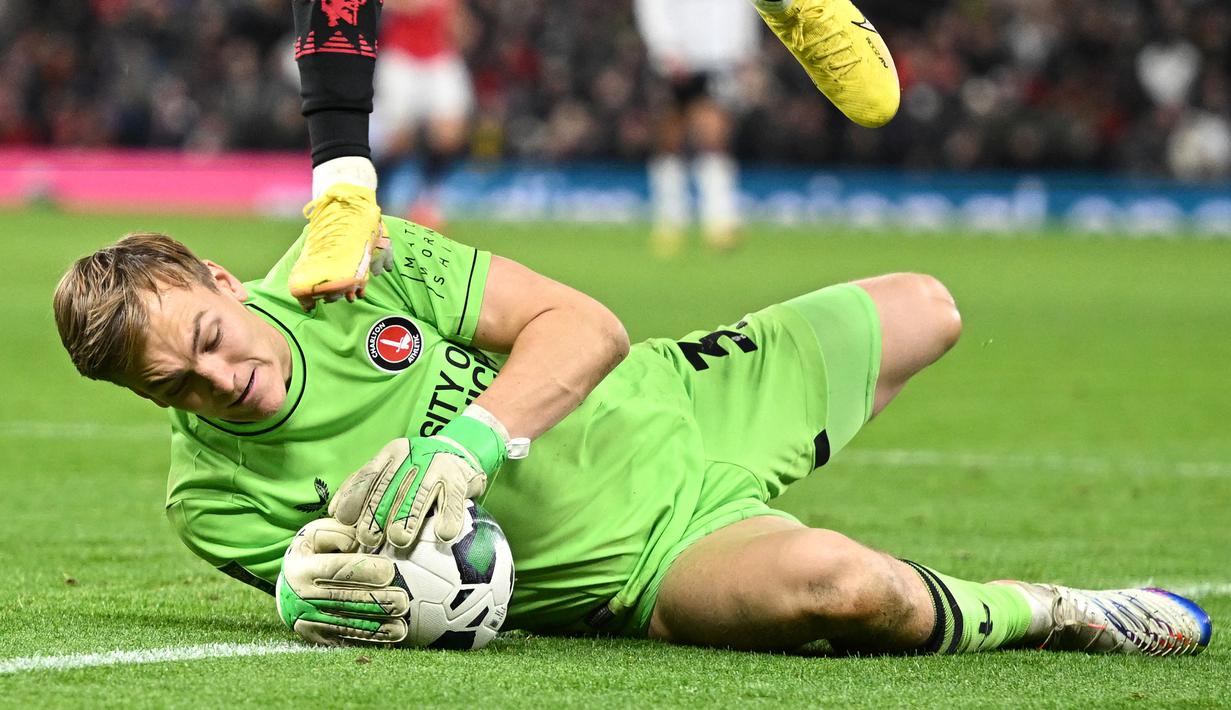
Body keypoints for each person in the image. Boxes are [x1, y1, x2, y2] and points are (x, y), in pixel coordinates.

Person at [53, 221, 1211, 655]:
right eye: (181, 388)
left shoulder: (344, 263)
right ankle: (1058, 608)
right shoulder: (209, 502)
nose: (223, 378)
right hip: (653, 551)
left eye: (208, 334)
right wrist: (310, 593)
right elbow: (370, 596)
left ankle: (772, 446)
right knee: (843, 586)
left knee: (928, 305)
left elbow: (585, 325)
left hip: (675, 396)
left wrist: (470, 441)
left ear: (218, 275)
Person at [287, 0, 902, 306]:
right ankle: (348, 187)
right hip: (672, 46)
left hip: (714, 46)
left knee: (709, 133)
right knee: (676, 132)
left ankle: (718, 216)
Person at [635, 0, 760, 254]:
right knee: (669, 139)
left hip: (720, 58)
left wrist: (745, 50)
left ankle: (720, 219)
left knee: (715, 137)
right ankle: (670, 220)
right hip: (675, 59)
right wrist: (665, 46)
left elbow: (743, 7)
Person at [371, 0, 474, 231]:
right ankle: (376, 197)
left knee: (449, 134)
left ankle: (426, 199)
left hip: (440, 55)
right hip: (401, 57)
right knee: (397, 141)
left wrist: (462, 26)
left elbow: (455, 15)